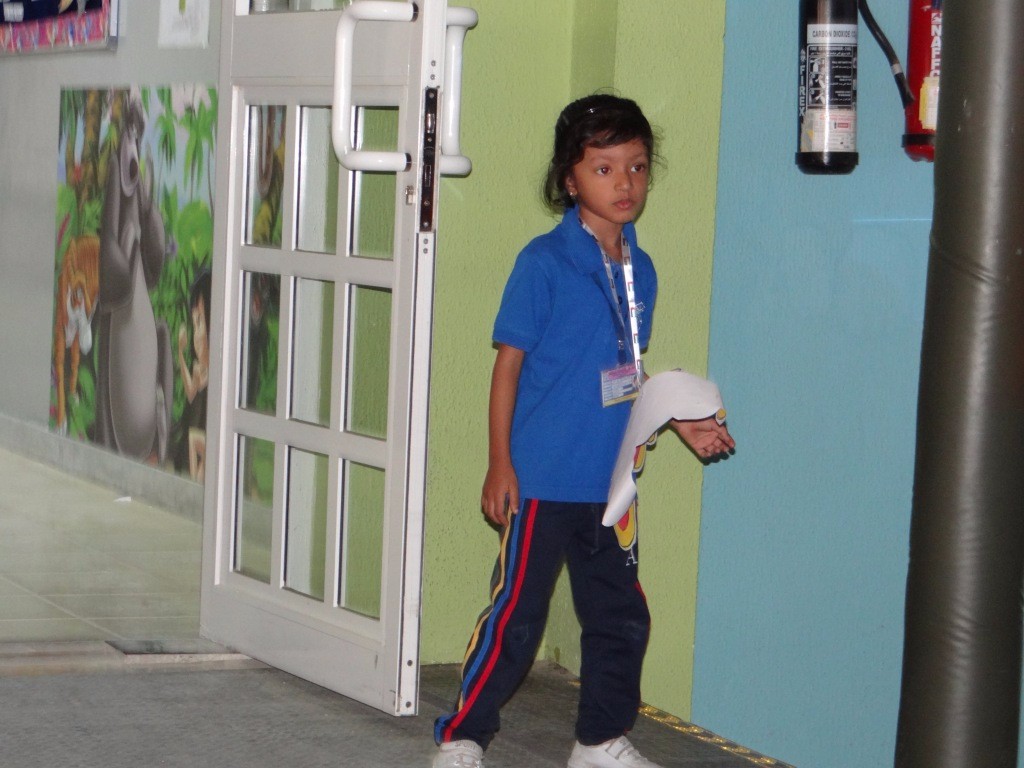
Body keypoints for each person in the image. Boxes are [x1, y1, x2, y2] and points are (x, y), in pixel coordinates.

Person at [432, 94, 735, 768]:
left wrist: (681, 419)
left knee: (621, 619)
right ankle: (462, 736)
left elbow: (627, 370)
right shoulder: (543, 262)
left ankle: (599, 741)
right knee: (517, 619)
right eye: (604, 168)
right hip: (542, 480)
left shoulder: (640, 270)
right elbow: (507, 368)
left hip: (611, 485)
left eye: (637, 166)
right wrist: (500, 463)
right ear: (569, 179)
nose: (624, 183)